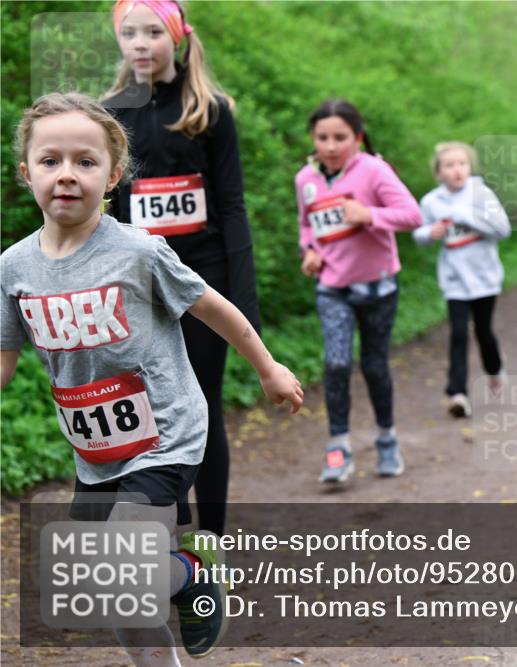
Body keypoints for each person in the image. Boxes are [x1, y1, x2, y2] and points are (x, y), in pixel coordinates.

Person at [1, 92, 303, 665]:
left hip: (166, 435)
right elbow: (4, 359)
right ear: (26, 172)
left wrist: (268, 369)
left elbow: (214, 308)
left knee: (124, 572)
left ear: (113, 176)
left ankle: (190, 571)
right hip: (96, 450)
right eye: (50, 160)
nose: (67, 174)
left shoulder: (139, 251)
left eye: (85, 162)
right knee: (108, 594)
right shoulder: (13, 268)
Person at [104, 0, 260, 536]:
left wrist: (244, 297)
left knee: (203, 407)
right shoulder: (110, 113)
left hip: (205, 278)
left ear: (178, 37)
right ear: (119, 41)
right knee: (150, 410)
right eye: (129, 33)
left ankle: (211, 544)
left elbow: (233, 207)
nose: (141, 43)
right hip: (141, 285)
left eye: (153, 31)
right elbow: (111, 213)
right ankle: (174, 530)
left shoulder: (210, 109)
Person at [296, 98, 423, 484]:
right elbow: (306, 225)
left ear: (358, 137)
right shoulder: (306, 179)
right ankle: (338, 449)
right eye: (322, 137)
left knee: (373, 365)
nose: (331, 146)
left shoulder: (374, 170)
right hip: (332, 286)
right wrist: (310, 252)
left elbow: (413, 215)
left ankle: (387, 440)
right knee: (335, 364)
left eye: (340, 137)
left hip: (378, 286)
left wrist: (370, 215)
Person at [415, 142, 510, 418]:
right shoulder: (432, 202)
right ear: (439, 172)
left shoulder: (482, 194)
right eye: (449, 165)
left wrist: (467, 217)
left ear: (469, 167)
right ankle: (457, 393)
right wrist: (428, 233)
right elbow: (418, 234)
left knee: (483, 331)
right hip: (454, 280)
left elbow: (503, 230)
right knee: (457, 334)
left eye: (462, 164)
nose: (457, 170)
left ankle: (494, 369)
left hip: (485, 277)